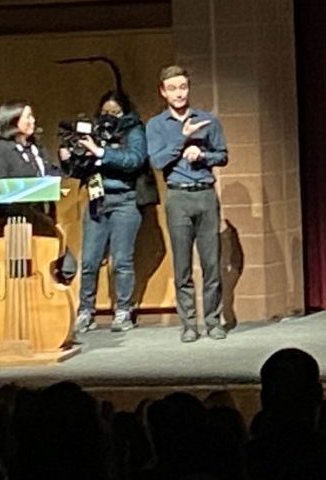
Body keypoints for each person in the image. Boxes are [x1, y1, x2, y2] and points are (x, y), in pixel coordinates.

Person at [145, 65, 229, 342]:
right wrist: (183, 139)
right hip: (177, 196)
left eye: (182, 87)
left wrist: (202, 154)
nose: (178, 93)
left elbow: (223, 155)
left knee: (211, 264)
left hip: (205, 194)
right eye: (172, 89)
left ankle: (213, 321)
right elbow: (157, 162)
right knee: (182, 265)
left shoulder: (208, 120)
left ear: (188, 88)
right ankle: (189, 325)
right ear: (163, 92)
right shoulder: (156, 125)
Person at [71, 90, 153, 337]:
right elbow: (80, 168)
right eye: (105, 112)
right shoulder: (95, 131)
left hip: (124, 201)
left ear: (125, 112)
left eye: (115, 112)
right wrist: (73, 156)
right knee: (89, 260)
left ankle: (123, 310)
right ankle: (86, 310)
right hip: (97, 200)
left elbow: (134, 159)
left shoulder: (134, 130)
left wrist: (101, 153)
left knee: (121, 260)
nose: (109, 117)